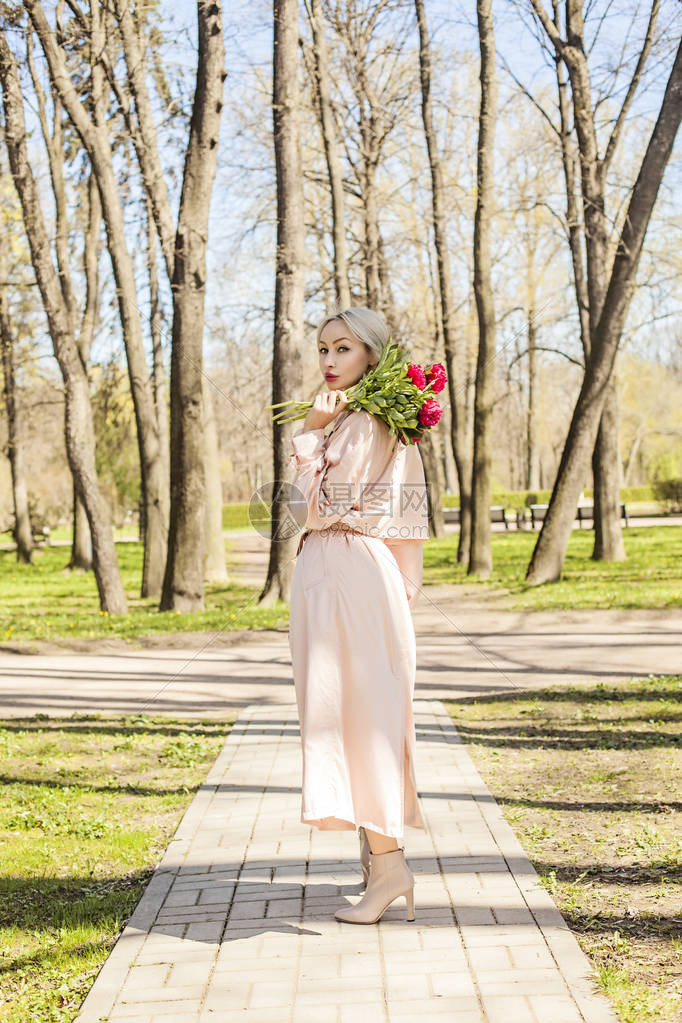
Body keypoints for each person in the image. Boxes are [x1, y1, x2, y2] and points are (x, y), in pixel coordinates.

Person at [287, 306, 429, 925]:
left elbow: (310, 509)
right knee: (349, 712)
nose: (328, 361)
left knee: (358, 715)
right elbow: (409, 518)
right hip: (346, 577)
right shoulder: (367, 420)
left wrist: (309, 433)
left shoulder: (364, 422)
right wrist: (402, 585)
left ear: (372, 354)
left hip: (346, 576)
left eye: (342, 349)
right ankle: (380, 859)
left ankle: (389, 863)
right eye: (322, 349)